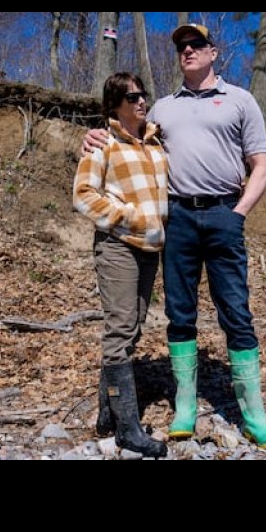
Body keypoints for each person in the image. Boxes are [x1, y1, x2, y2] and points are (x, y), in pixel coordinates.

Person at [83, 24, 266, 449]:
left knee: (236, 312)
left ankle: (254, 416)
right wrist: (94, 133)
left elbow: (262, 166)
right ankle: (186, 407)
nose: (187, 50)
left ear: (213, 51)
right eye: (181, 46)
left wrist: (238, 213)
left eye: (196, 44)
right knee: (180, 313)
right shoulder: (162, 108)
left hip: (224, 213)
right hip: (177, 218)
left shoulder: (240, 100)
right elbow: (128, 134)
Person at [73, 72, 167, 458]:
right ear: (114, 105)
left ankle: (106, 415)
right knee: (121, 329)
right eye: (131, 97)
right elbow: (83, 195)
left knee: (134, 325)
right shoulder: (103, 143)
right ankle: (128, 428)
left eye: (143, 95)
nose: (141, 102)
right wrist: (130, 217)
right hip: (118, 246)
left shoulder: (156, 143)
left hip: (150, 249)